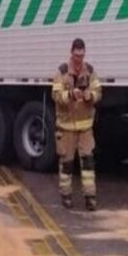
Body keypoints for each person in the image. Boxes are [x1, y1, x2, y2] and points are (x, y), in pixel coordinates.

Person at [51, 38, 102, 211]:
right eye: (76, 55)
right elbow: (56, 95)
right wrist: (71, 94)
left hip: (85, 126)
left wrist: (90, 96)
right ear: (71, 53)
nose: (79, 59)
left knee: (88, 162)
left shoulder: (90, 71)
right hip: (66, 127)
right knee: (66, 163)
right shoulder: (62, 72)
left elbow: (98, 92)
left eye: (82, 55)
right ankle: (66, 195)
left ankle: (90, 197)